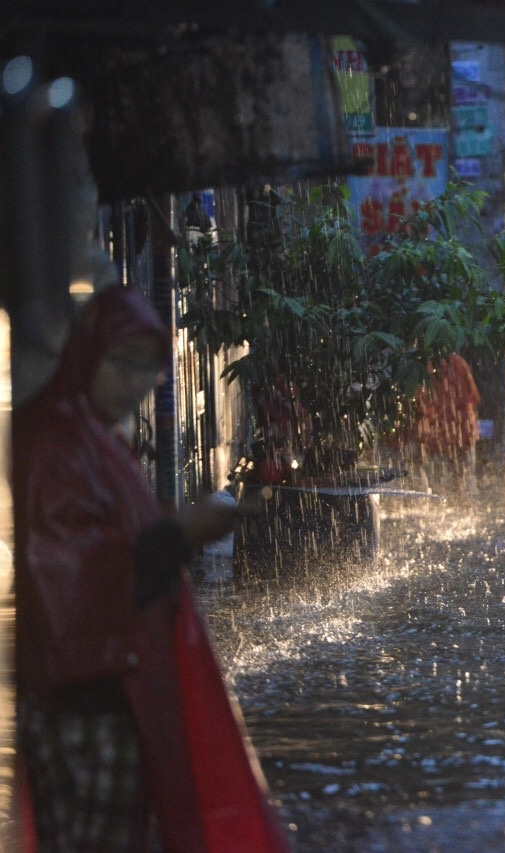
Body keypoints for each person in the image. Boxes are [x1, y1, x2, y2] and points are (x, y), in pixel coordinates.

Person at [14, 285, 287, 852]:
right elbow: (84, 575)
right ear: (89, 352)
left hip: (108, 688)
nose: (136, 383)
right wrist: (185, 531)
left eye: (149, 370)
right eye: (124, 364)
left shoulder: (92, 435)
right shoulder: (60, 439)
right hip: (89, 700)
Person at [401, 352, 482, 498]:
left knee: (439, 485)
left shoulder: (420, 366)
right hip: (461, 433)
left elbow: (417, 403)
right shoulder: (457, 362)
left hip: (435, 436)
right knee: (465, 481)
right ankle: (466, 509)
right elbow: (473, 397)